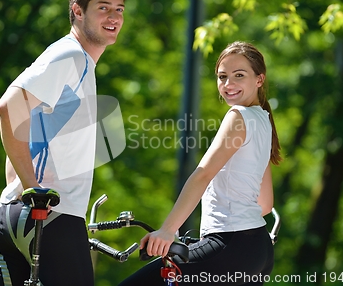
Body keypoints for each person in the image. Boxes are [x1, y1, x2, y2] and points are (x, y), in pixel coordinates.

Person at [0, 0, 126, 286]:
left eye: (119, 9)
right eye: (103, 7)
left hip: (15, 214)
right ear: (78, 11)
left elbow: (23, 126)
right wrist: (32, 186)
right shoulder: (71, 56)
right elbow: (9, 107)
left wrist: (21, 186)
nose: (113, 16)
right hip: (49, 217)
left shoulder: (78, 63)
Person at [119, 41, 282, 286]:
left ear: (259, 79)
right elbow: (266, 203)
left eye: (239, 75)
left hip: (229, 246)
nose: (228, 84)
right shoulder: (264, 120)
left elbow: (203, 174)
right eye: (222, 77)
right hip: (258, 251)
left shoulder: (238, 116)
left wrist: (168, 231)